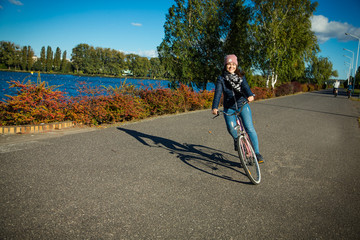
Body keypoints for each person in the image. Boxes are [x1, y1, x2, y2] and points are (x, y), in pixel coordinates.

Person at [212, 54, 264, 163]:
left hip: (242, 105)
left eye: (233, 64)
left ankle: (257, 153)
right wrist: (215, 107)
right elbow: (218, 93)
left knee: (249, 128)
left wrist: (250, 95)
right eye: (228, 64)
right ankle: (238, 140)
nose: (231, 66)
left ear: (236, 65)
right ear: (225, 65)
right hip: (229, 108)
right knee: (231, 129)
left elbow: (245, 87)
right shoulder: (221, 79)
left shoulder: (241, 77)